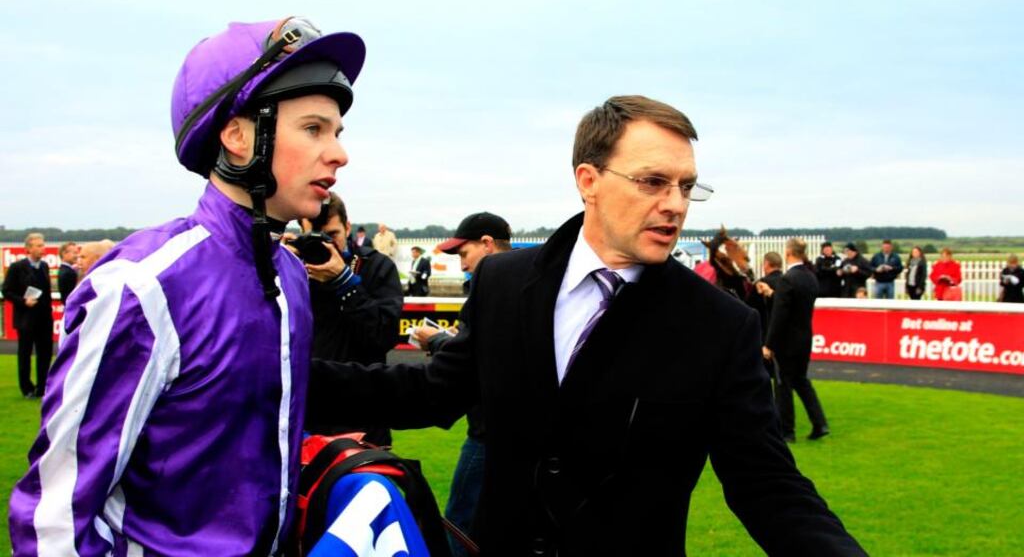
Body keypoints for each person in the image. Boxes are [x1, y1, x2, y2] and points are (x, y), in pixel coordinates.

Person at [308, 95, 864, 555]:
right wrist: (274, 372)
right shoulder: (504, 283)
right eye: (653, 182)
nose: (676, 204)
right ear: (588, 180)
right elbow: (430, 393)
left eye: (686, 186)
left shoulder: (720, 326)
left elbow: (767, 484)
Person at [9, 17, 365, 556]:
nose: (339, 153)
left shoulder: (291, 275)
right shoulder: (141, 286)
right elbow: (54, 518)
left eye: (337, 133)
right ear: (238, 136)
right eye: (314, 128)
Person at [412, 211, 512, 557]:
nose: (462, 265)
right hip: (520, 438)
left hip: (488, 434)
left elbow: (486, 357)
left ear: (486, 244)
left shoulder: (500, 291)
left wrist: (439, 342)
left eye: (464, 254)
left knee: (459, 527)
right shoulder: (533, 285)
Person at [299, 191, 403, 444]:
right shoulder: (292, 266)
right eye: (315, 236)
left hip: (363, 411)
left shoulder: (376, 266)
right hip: (308, 412)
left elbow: (383, 336)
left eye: (332, 235)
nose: (326, 245)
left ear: (347, 227)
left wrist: (344, 282)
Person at [763, 238, 830, 443]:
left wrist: (769, 344)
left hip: (786, 342)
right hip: (804, 337)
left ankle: (787, 431)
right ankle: (820, 423)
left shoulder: (787, 279)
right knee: (801, 381)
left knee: (783, 386)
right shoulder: (810, 277)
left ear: (789, 252)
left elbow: (780, 314)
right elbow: (794, 304)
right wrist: (774, 294)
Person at [2, 233, 54, 398]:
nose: (42, 248)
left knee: (45, 354)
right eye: (38, 245)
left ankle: (42, 386)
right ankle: (27, 388)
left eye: (42, 245)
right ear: (28, 249)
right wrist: (23, 301)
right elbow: (6, 291)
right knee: (25, 354)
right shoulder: (18, 267)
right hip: (26, 318)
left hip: (44, 318)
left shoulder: (44, 266)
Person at [751, 252, 784, 379]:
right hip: (783, 333)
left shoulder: (762, 284)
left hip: (764, 333)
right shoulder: (786, 282)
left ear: (766, 264)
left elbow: (749, 306)